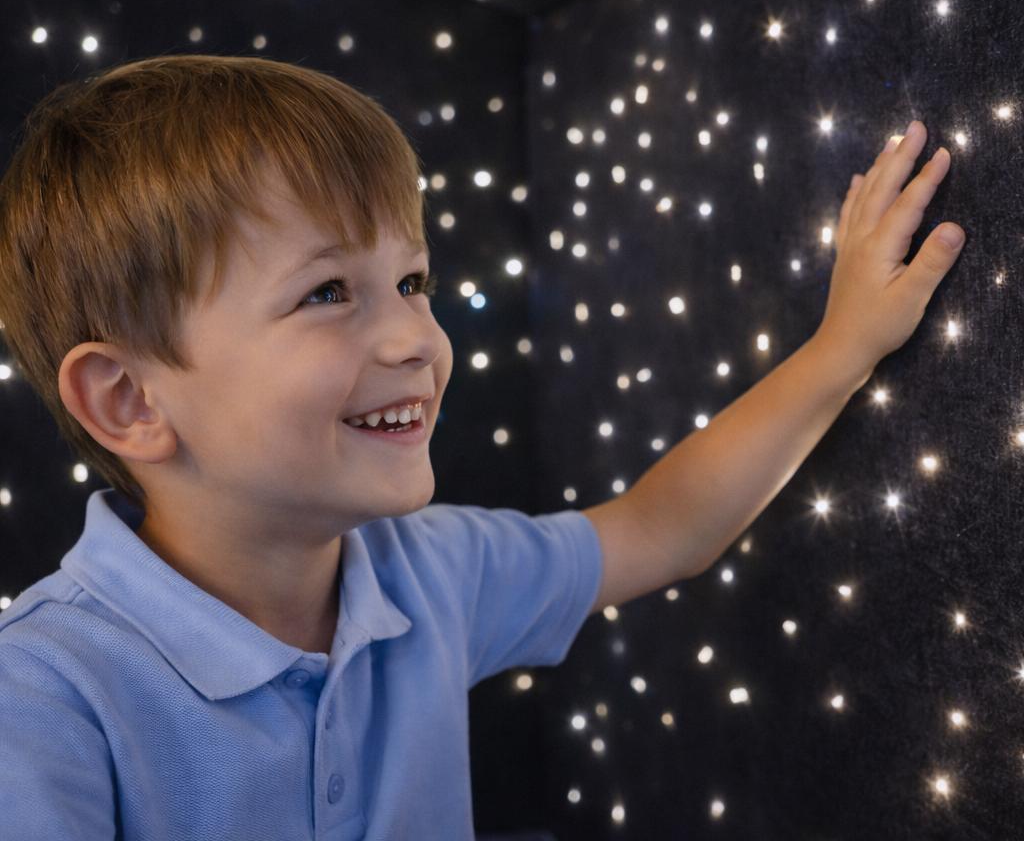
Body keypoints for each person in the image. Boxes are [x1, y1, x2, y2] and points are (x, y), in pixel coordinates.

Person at [0, 54, 965, 839]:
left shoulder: (429, 576)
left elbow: (661, 529)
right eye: (327, 293)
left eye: (413, 281)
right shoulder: (44, 695)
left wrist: (844, 346)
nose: (417, 339)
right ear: (128, 400)